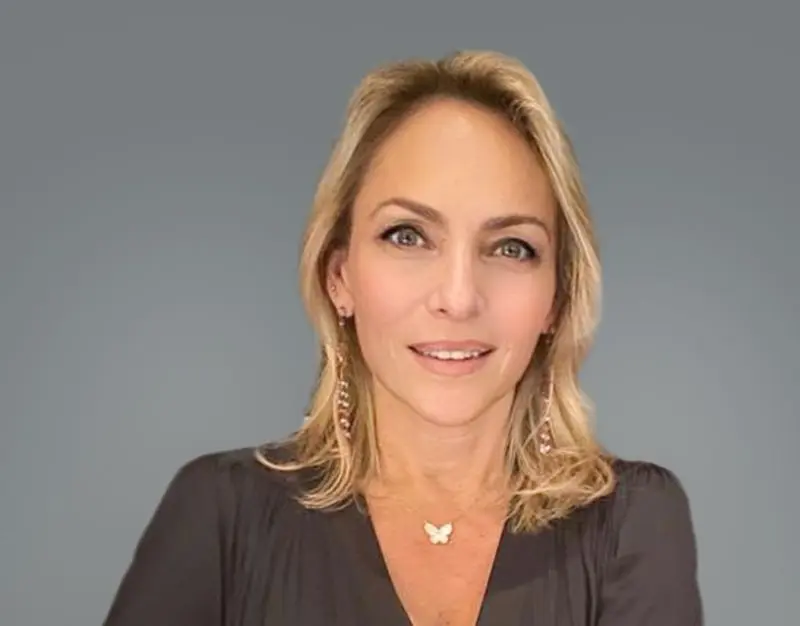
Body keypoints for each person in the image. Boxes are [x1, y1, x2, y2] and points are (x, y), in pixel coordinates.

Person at [102, 49, 703, 625]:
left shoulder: (633, 520)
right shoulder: (222, 514)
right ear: (339, 277)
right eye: (408, 236)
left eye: (511, 247)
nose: (459, 298)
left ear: (557, 299)